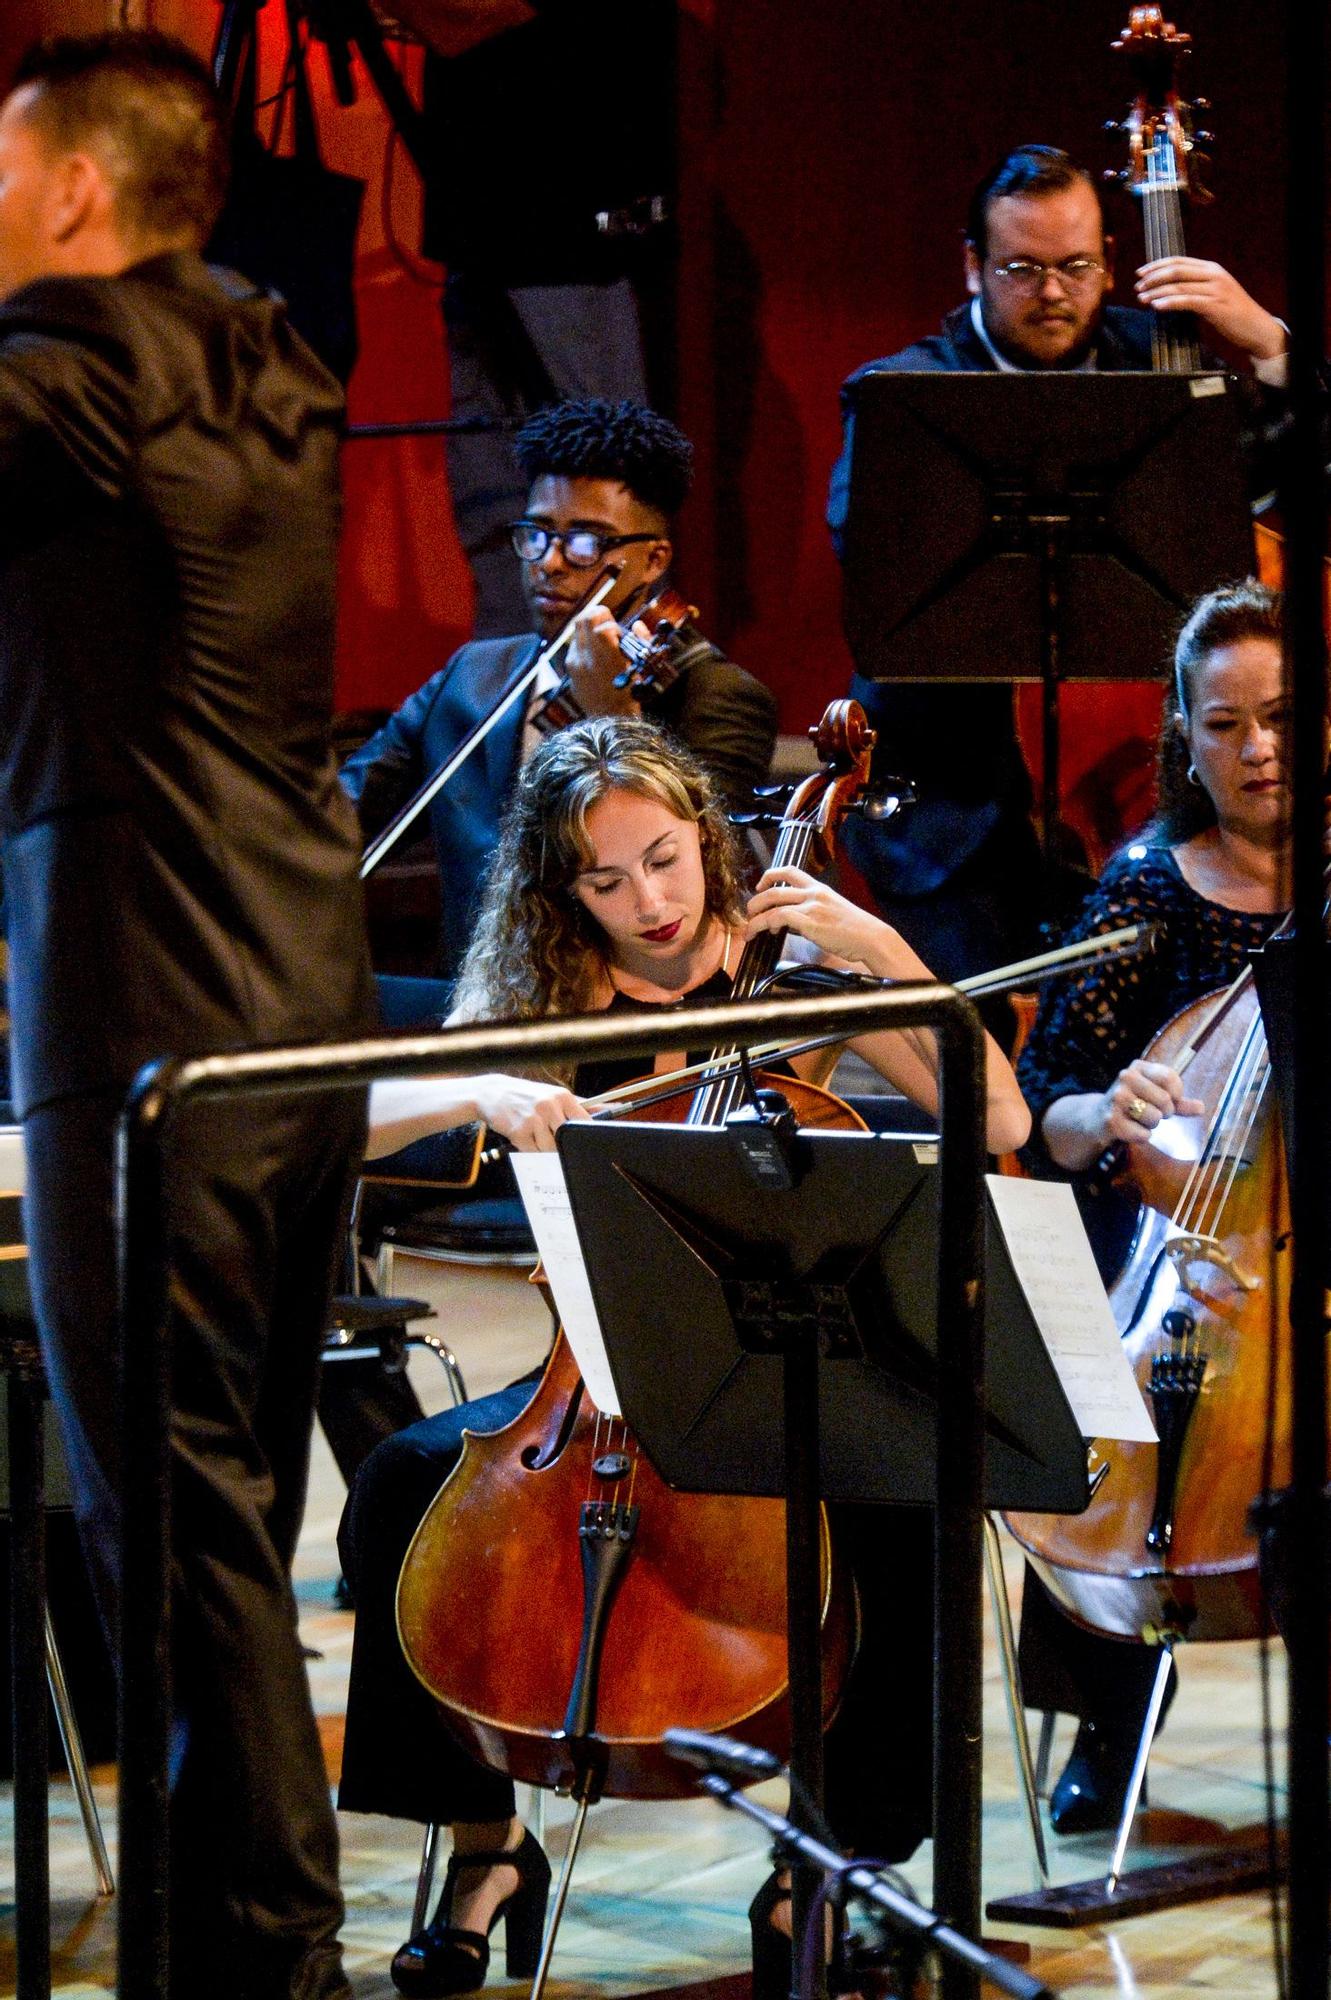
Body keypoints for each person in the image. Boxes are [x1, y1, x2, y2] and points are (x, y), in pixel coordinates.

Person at [339, 715, 1030, 1997]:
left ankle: (827, 1860)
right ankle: (486, 1849)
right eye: (603, 879)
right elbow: (352, 1125)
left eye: (663, 858)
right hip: (587, 1384)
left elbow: (998, 1111)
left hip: (780, 1376)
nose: (646, 901)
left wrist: (879, 952)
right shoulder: (547, 993)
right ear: (561, 890)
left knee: (903, 1507)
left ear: (706, 839)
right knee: (398, 1482)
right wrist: (477, 1091)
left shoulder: (797, 970)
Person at [0, 33, 374, 1998]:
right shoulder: (265, 358)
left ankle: (271, 1966)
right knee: (217, 1513)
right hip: (295, 999)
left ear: (72, 197)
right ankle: (210, 1951)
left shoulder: (66, 375)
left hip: (149, 1008)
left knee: (182, 1528)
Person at [826, 143, 1300, 998]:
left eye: (1076, 267)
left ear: (1111, 261)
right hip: (954, 817)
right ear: (972, 266)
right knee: (980, 1078)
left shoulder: (1172, 363)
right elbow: (865, 551)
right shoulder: (903, 390)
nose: (1051, 292)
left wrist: (1272, 350)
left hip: (1146, 801)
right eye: (1022, 268)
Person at [1015, 577, 1291, 1831]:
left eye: (1282, 717)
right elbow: (1044, 1099)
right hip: (1180, 1238)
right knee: (1121, 1368)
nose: (1257, 748)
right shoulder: (1145, 888)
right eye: (1223, 723)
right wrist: (1109, 1112)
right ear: (1181, 736)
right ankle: (1104, 1704)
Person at [342, 396, 779, 979]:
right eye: (538, 534)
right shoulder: (473, 676)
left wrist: (615, 718)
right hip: (475, 1002)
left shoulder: (720, 697)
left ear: (653, 561)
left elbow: (700, 874)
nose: (550, 563)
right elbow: (346, 810)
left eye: (586, 543)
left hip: (629, 1008)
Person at [366, 0, 675, 634]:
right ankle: (515, 715)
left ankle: (621, 716)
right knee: (499, 514)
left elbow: (481, 11)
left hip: (570, 229)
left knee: (600, 506)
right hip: (484, 222)